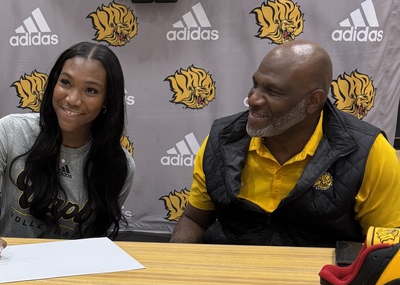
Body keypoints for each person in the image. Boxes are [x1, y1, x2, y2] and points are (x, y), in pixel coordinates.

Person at [170, 40, 400, 246]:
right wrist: (178, 268)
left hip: (321, 283)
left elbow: (385, 246)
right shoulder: (222, 138)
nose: (253, 99)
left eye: (273, 91)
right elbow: (194, 219)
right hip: (228, 275)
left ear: (313, 101)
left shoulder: (369, 153)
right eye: (255, 84)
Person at [0, 41, 135, 258]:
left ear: (106, 101)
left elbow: (97, 242)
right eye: (65, 83)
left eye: (91, 90)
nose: (72, 99)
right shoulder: (11, 131)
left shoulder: (120, 166)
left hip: (73, 273)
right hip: (7, 266)